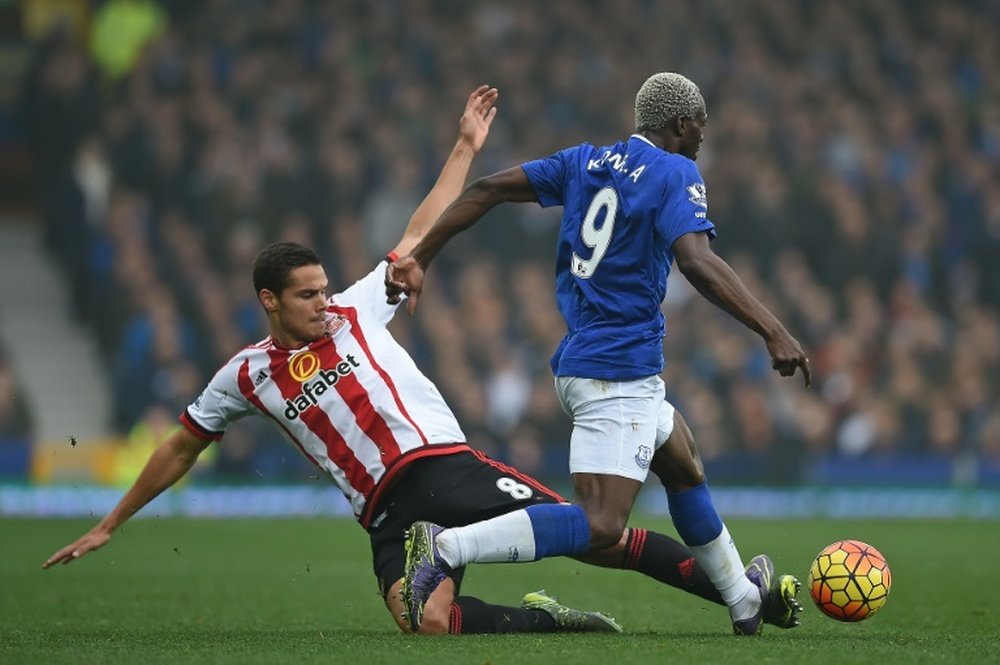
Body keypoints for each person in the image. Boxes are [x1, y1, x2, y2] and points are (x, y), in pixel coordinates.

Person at [42, 85, 769, 636]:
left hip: (444, 464)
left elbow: (417, 231)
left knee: (597, 534)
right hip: (386, 511)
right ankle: (550, 620)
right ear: (270, 302)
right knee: (426, 623)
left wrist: (464, 145)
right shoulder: (246, 375)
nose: (324, 302)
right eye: (306, 296)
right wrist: (113, 521)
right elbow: (180, 446)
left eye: (325, 288)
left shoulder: (358, 306)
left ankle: (743, 594)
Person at [386, 72, 811, 636]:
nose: (703, 139)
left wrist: (423, 256)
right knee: (602, 524)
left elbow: (486, 188)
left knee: (682, 463)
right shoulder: (676, 171)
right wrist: (772, 328)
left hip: (596, 361)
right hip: (616, 370)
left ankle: (743, 600)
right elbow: (697, 260)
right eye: (700, 128)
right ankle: (447, 547)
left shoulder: (585, 161)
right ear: (681, 124)